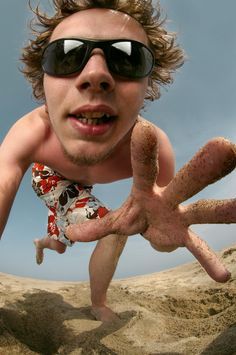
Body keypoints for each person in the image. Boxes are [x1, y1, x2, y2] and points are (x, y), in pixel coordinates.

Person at [0, 0, 235, 322]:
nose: (96, 75)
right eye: (66, 55)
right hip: (50, 178)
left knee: (69, 240)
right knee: (115, 227)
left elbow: (160, 229)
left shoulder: (151, 151)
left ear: (147, 84)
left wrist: (163, 234)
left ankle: (45, 242)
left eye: (127, 58)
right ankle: (98, 303)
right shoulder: (32, 131)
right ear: (42, 80)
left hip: (79, 190)